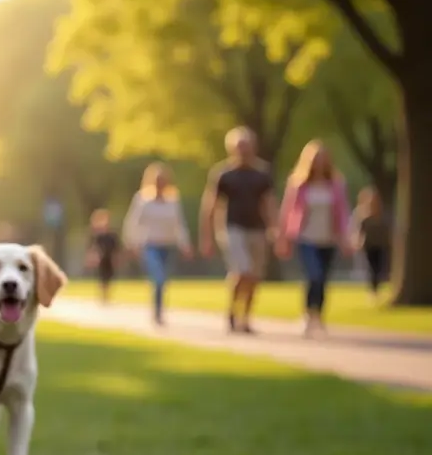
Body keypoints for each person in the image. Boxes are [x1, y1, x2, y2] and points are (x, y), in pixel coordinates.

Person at [200, 126, 276, 334]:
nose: (243, 150)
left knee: (254, 277)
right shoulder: (224, 174)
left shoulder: (262, 173)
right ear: (231, 148)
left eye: (247, 146)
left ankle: (246, 318)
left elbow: (269, 203)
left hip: (257, 229)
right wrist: (206, 237)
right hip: (232, 228)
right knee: (242, 270)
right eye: (239, 146)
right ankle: (232, 311)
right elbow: (210, 206)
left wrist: (274, 228)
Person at [276, 140, 352, 337]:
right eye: (316, 159)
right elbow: (287, 211)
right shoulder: (299, 184)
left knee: (323, 279)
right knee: (314, 275)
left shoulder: (336, 185)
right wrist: (282, 237)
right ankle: (308, 314)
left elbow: (343, 212)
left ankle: (319, 316)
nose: (319, 162)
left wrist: (345, 238)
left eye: (323, 158)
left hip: (328, 238)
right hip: (305, 237)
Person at [123, 162, 193, 325]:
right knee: (158, 277)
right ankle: (157, 312)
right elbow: (132, 222)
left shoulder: (173, 201)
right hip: (150, 245)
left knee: (163, 281)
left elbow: (179, 224)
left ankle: (159, 309)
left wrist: (185, 244)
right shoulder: (142, 200)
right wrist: (131, 243)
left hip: (168, 246)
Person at [350, 186, 391, 302]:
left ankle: (376, 289)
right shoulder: (363, 215)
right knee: (372, 268)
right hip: (369, 245)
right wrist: (357, 241)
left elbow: (387, 230)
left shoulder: (382, 214)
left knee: (380, 268)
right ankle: (373, 291)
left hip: (381, 245)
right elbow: (359, 230)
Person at [84, 208, 121, 304]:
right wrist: (91, 258)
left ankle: (106, 294)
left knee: (109, 277)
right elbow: (92, 248)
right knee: (102, 277)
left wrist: (116, 258)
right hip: (101, 260)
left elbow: (116, 248)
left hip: (109, 259)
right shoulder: (97, 236)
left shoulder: (112, 236)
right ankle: (103, 295)